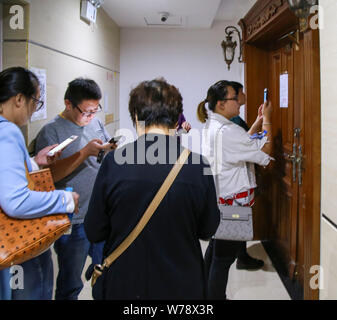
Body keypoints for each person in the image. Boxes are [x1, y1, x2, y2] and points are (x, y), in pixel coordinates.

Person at [84, 78, 220, 300]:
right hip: (183, 285)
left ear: (136, 117)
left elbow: (94, 229)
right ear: (176, 119)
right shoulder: (199, 165)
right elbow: (208, 228)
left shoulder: (113, 162)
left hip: (126, 283)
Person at [0, 67, 79, 300]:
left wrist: (34, 162)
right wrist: (64, 199)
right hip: (14, 239)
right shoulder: (8, 132)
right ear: (18, 99)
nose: (35, 109)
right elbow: (15, 200)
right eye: (35, 101)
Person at [35, 78, 116, 300]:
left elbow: (102, 148)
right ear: (68, 104)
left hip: (99, 213)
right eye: (86, 111)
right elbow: (49, 177)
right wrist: (84, 153)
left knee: (105, 270)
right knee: (71, 283)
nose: (91, 116)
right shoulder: (51, 132)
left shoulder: (95, 123)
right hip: (73, 219)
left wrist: (109, 149)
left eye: (95, 110)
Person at [198, 80, 273, 300]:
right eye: (235, 98)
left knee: (215, 252)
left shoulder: (214, 126)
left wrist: (257, 122)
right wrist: (268, 119)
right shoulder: (228, 131)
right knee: (223, 259)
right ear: (221, 104)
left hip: (220, 201)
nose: (239, 102)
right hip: (233, 206)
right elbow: (265, 153)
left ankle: (204, 294)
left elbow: (241, 145)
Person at [230, 81, 265, 270]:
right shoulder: (232, 120)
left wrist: (258, 122)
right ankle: (240, 256)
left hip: (237, 179)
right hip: (237, 180)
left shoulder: (233, 118)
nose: (245, 95)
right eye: (242, 92)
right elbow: (243, 143)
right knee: (239, 216)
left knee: (240, 216)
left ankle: (240, 255)